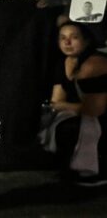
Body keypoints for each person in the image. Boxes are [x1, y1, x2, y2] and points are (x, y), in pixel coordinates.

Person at [48, 22, 107, 186]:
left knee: (75, 126)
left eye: (74, 37)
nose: (67, 43)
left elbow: (95, 108)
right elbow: (56, 99)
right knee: (60, 124)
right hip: (81, 113)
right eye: (62, 38)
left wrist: (65, 106)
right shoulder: (63, 63)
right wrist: (63, 106)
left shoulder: (96, 64)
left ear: (87, 41)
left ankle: (97, 171)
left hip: (98, 115)